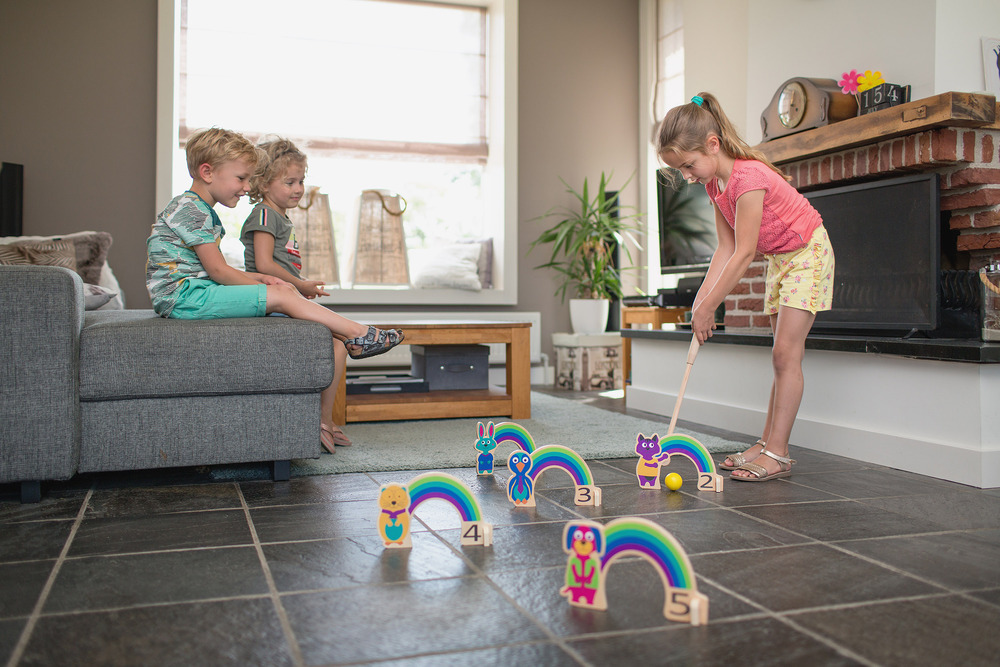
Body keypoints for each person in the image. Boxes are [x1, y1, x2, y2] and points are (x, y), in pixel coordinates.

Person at [146, 127, 403, 453]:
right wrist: (268, 283)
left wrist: (262, 279)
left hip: (193, 290)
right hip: (183, 296)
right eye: (241, 178)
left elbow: (215, 270)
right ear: (207, 172)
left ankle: (343, 360)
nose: (247, 187)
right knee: (283, 294)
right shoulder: (191, 209)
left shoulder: (197, 208)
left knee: (287, 296)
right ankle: (359, 333)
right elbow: (218, 271)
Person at [655, 92, 835, 482]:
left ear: (712, 144)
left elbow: (745, 251)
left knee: (787, 356)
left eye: (688, 165)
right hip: (782, 260)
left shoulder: (748, 178)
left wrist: (710, 308)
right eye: (680, 170)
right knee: (779, 357)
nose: (687, 176)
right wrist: (700, 303)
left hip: (808, 253)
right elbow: (724, 248)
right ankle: (766, 442)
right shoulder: (715, 186)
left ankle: (778, 453)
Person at [240, 137, 328, 299]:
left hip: (280, 293)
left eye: (301, 181)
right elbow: (264, 265)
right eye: (290, 183)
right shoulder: (264, 214)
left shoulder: (279, 217)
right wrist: (299, 284)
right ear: (264, 184)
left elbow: (284, 266)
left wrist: (302, 283)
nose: (298, 189)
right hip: (269, 295)